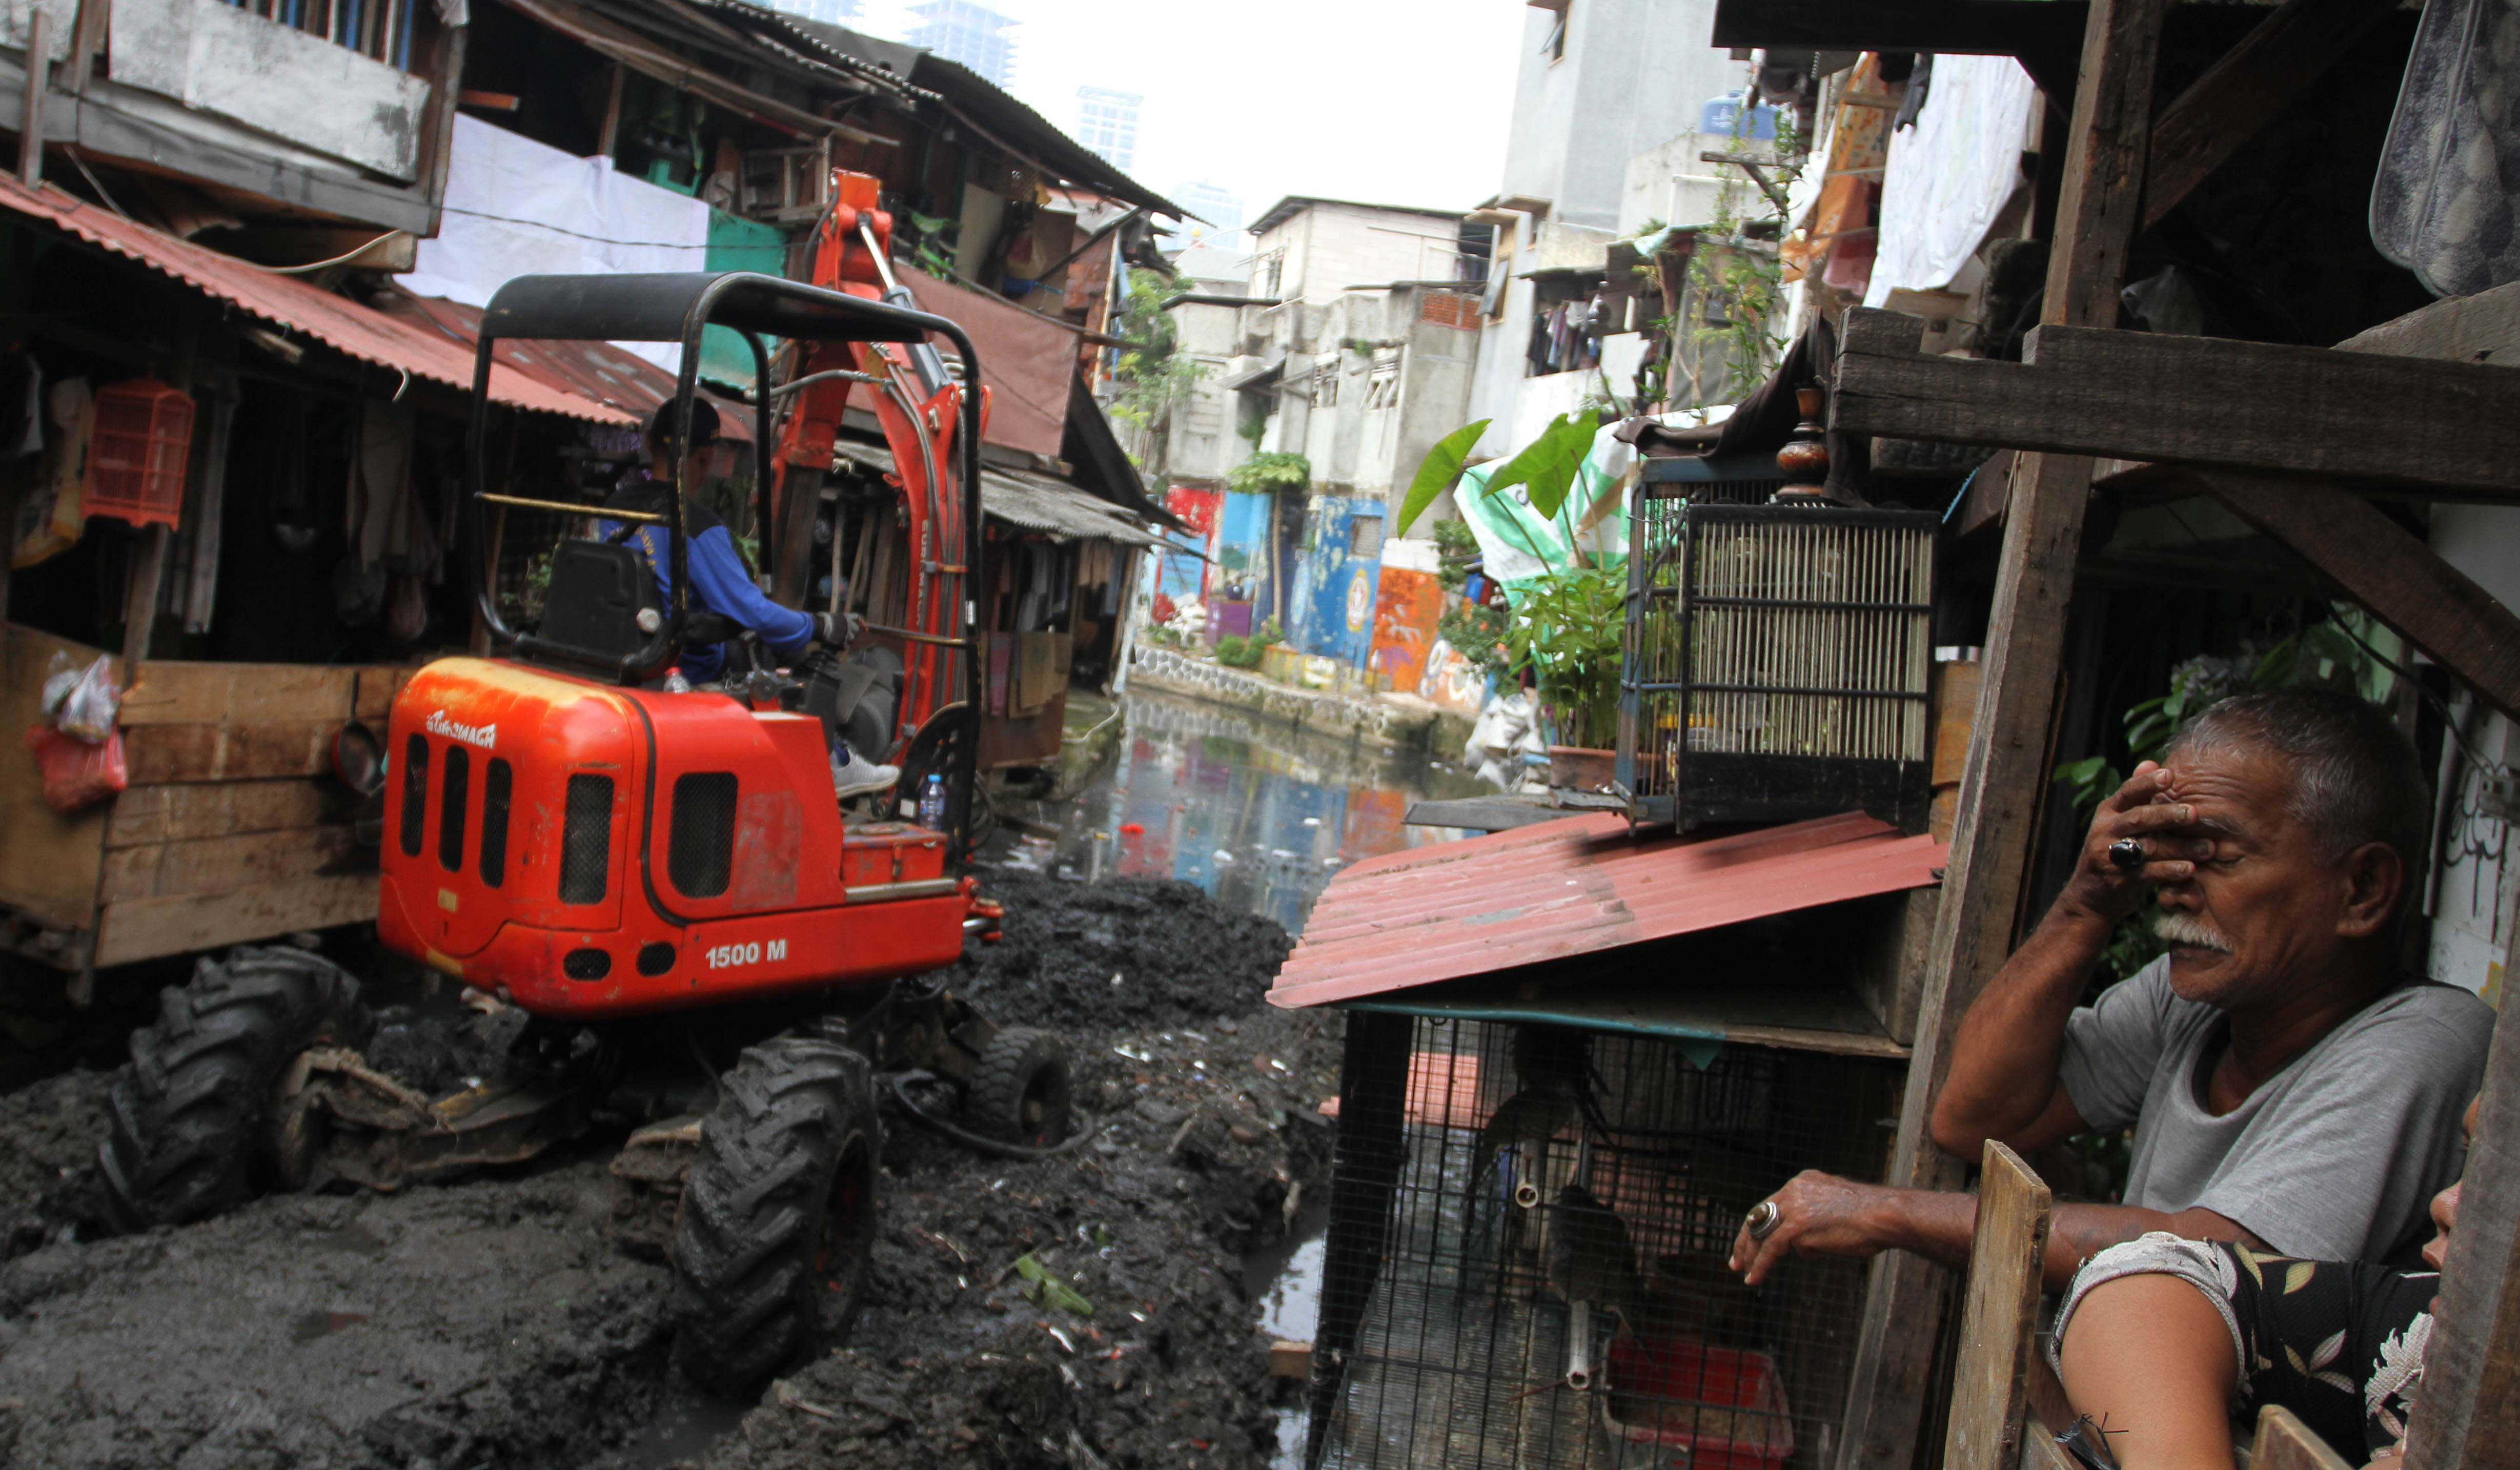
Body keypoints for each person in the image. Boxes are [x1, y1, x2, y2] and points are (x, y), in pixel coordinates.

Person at [1729, 688, 2491, 1292]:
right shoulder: (2192, 1001)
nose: (2173, 889)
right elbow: (1975, 1118)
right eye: (2162, 854)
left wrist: (1888, 1211)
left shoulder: (2423, 1043)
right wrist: (2086, 905)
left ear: (2363, 889)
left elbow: (2213, 1261)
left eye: (2213, 856)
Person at [2050, 1093, 2480, 1468]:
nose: (2444, 1204)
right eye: (2473, 1156)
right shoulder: (2415, 1332)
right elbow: (2146, 1282)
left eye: (2503, 1179)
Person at [601, 398, 899, 800]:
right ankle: (830, 760)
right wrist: (823, 624)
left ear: (651, 443)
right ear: (708, 457)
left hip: (620, 644)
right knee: (774, 648)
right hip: (680, 657)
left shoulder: (612, 508)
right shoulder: (698, 527)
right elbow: (753, 610)